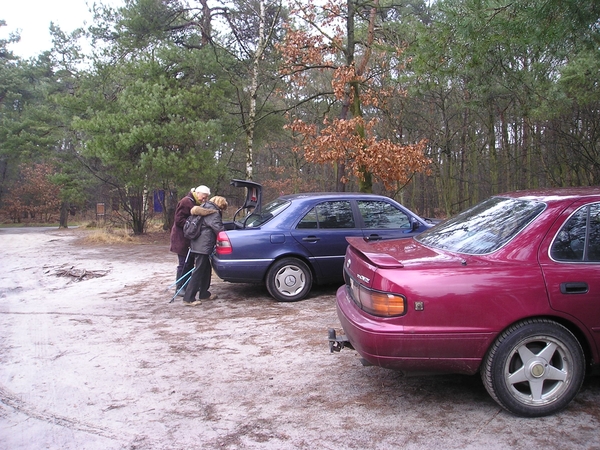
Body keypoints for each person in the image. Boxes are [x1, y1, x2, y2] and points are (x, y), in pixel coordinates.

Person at [183, 195, 228, 306]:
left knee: (206, 269)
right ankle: (189, 298)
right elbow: (218, 228)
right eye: (222, 208)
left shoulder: (203, 208)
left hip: (197, 243)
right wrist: (228, 235)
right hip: (203, 245)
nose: (221, 210)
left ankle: (204, 294)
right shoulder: (213, 213)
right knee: (198, 271)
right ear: (219, 205)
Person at [169, 185, 211, 296]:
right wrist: (192, 226)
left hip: (189, 238)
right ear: (197, 193)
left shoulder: (195, 202)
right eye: (203, 197)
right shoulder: (186, 202)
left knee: (190, 264)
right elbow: (178, 220)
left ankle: (186, 286)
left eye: (206, 198)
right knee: (184, 263)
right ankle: (180, 288)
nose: (204, 199)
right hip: (181, 238)